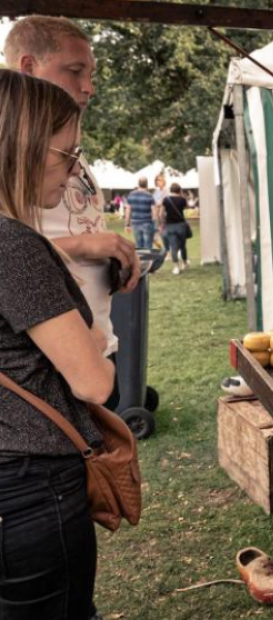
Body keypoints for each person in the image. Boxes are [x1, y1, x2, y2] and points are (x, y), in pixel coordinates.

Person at [0, 69, 114, 620]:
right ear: (20, 148)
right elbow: (93, 380)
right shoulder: (15, 246)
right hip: (29, 483)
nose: (74, 170)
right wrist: (91, 330)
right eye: (67, 154)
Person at [4, 15, 140, 411]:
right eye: (75, 70)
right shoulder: (14, 226)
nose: (89, 87)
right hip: (52, 369)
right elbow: (16, 255)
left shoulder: (74, 170)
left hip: (91, 342)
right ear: (28, 67)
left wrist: (110, 259)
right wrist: (79, 245)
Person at [160, 182, 191, 275]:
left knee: (173, 246)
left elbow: (160, 213)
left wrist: (163, 223)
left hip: (170, 225)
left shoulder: (165, 200)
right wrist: (181, 195)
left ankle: (176, 267)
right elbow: (188, 207)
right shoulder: (182, 199)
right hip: (181, 225)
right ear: (179, 190)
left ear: (170, 190)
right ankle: (185, 263)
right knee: (182, 246)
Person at [124, 177, 157, 250]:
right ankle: (147, 260)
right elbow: (154, 212)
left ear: (138, 184)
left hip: (135, 223)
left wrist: (127, 224)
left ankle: (141, 260)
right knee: (148, 245)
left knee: (139, 245)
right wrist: (154, 225)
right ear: (147, 184)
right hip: (147, 223)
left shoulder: (131, 195)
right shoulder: (149, 195)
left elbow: (128, 210)